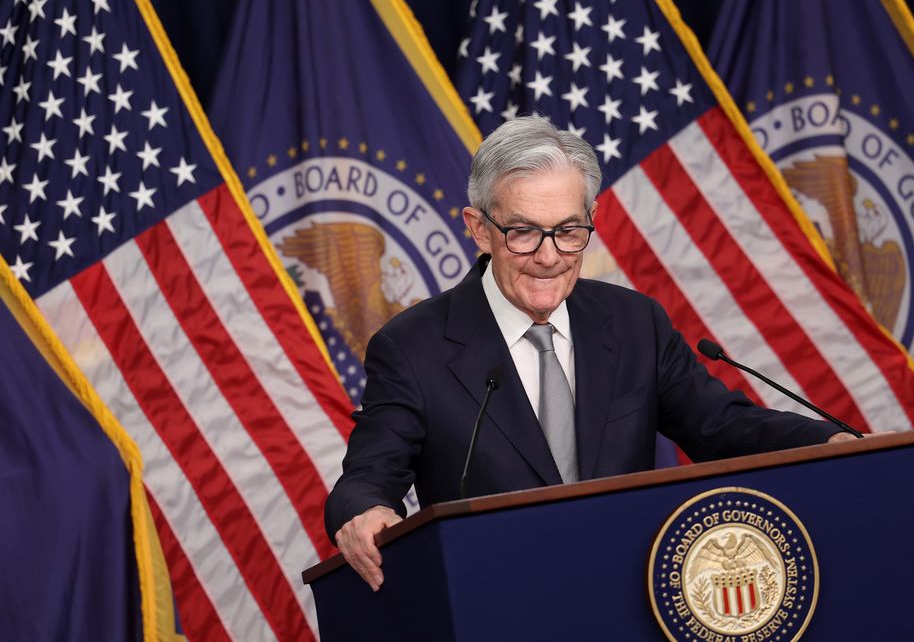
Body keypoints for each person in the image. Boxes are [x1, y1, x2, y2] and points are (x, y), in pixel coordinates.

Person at [325, 116, 854, 590]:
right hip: (497, 601)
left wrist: (831, 441)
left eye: (569, 232)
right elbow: (369, 475)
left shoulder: (633, 323)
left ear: (591, 218)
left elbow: (724, 427)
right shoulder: (413, 347)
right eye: (524, 233)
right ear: (479, 229)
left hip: (634, 596)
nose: (549, 257)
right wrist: (366, 511)